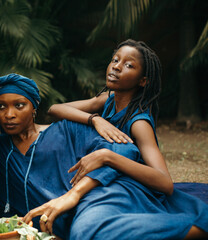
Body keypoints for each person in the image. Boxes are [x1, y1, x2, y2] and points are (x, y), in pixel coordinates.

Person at [0, 73, 208, 240]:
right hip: (65, 219)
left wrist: (74, 194)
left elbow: (125, 149)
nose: (9, 114)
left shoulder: (65, 129)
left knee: (86, 231)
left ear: (34, 108)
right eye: (1, 107)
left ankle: (198, 228)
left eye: (19, 105)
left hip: (98, 195)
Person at [48, 39, 173, 195]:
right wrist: (95, 119)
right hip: (101, 176)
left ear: (143, 81)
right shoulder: (108, 100)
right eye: (115, 60)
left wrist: (108, 157)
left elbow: (165, 182)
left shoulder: (139, 123)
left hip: (127, 186)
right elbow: (55, 109)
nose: (116, 67)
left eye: (129, 65)